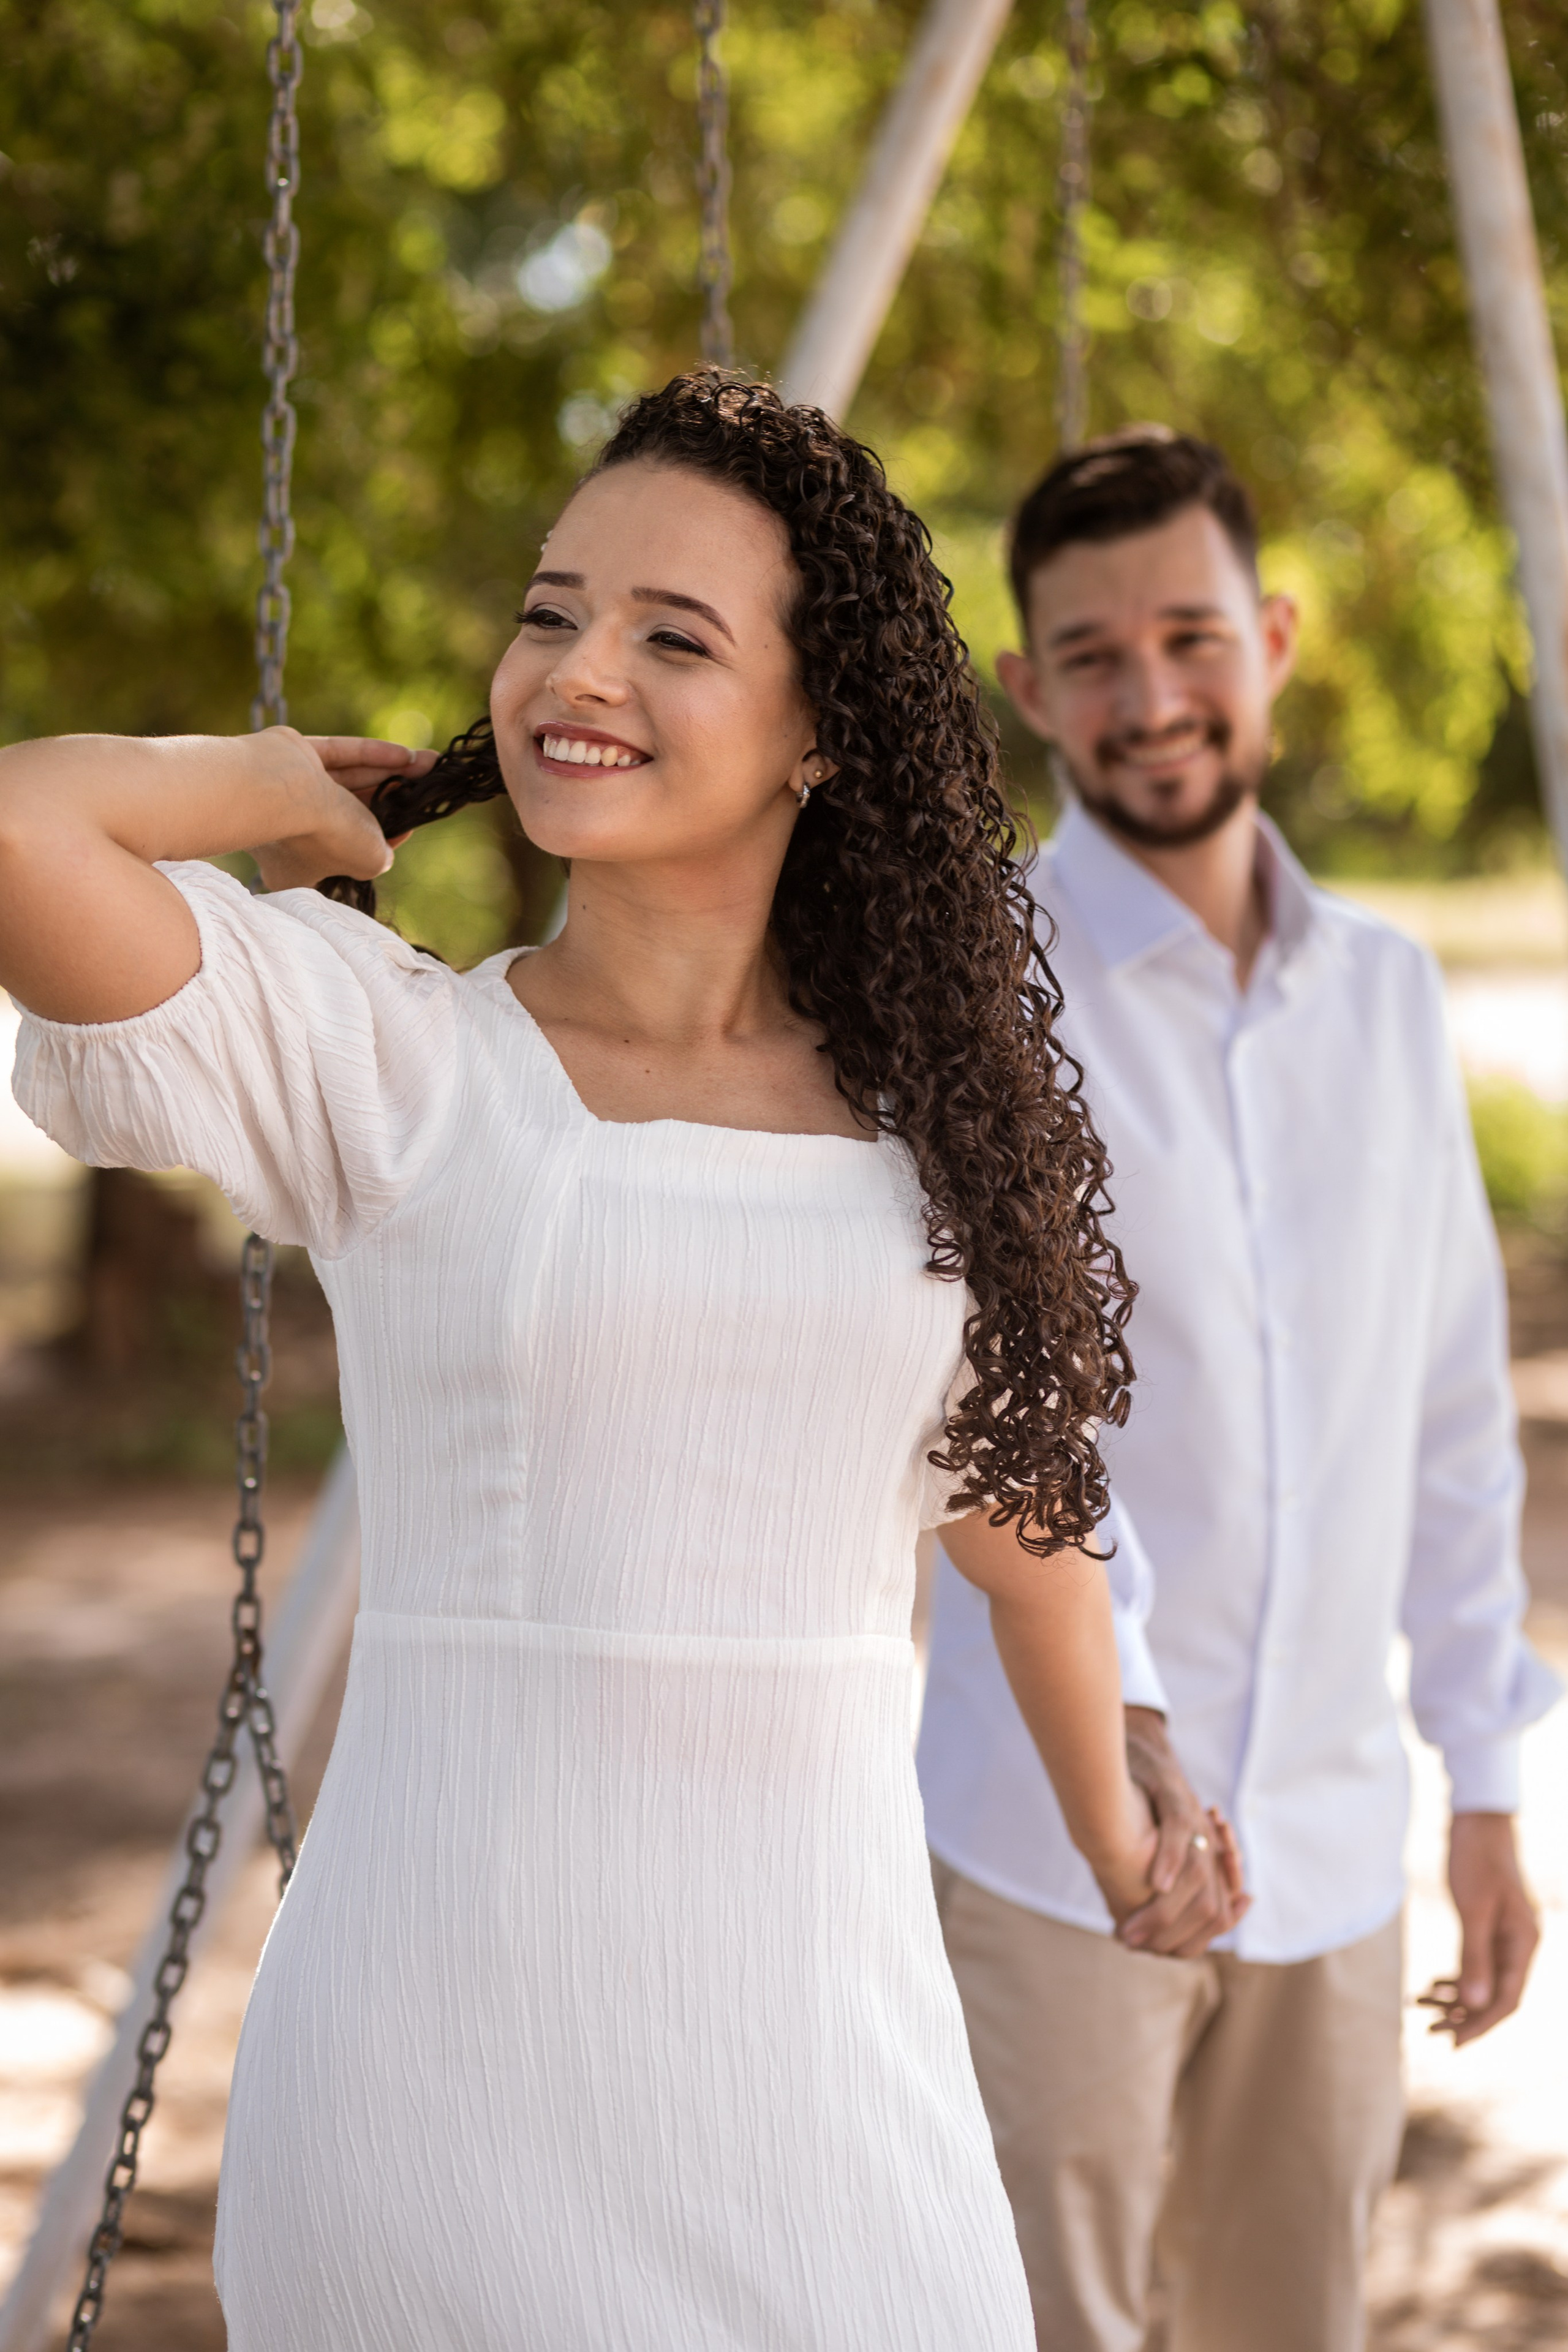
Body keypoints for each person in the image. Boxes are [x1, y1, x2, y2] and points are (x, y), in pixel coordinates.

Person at [2, 373, 1169, 2351]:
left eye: (672, 634)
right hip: (431, 2102)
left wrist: (1126, 1826)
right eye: (553, 610)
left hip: (827, 2101)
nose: (577, 668)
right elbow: (26, 828)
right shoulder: (396, 1058)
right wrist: (274, 773)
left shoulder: (935, 1145)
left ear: (820, 736)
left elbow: (1016, 1512)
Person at [916, 424, 1563, 2352]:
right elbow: (968, 1398)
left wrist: (1486, 1782)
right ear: (1028, 686)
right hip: (1049, 1841)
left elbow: (1449, 1415)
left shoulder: (1383, 993)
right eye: (1092, 656)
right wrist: (1121, 1737)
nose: (1152, 697)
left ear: (1273, 639)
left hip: (1338, 1845)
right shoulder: (974, 992)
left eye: (1191, 636)